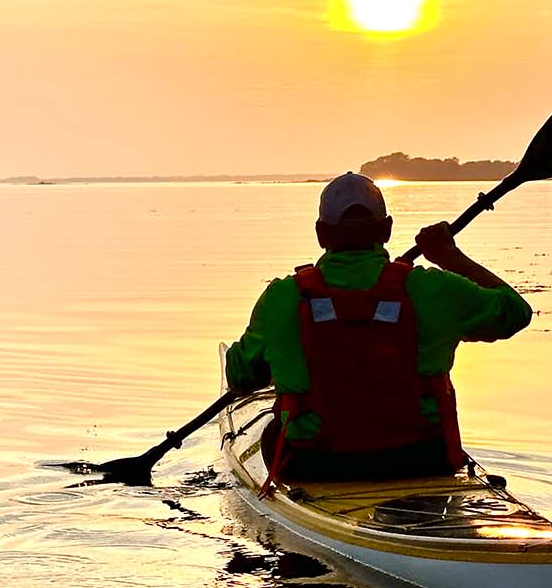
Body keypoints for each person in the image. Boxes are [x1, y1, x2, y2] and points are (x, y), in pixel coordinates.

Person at [224, 172, 531, 482]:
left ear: (321, 234)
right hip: (423, 460)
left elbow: (239, 377)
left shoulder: (283, 298)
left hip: (315, 464)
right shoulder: (431, 289)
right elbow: (515, 312)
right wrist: (449, 256)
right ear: (386, 229)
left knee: (272, 434)